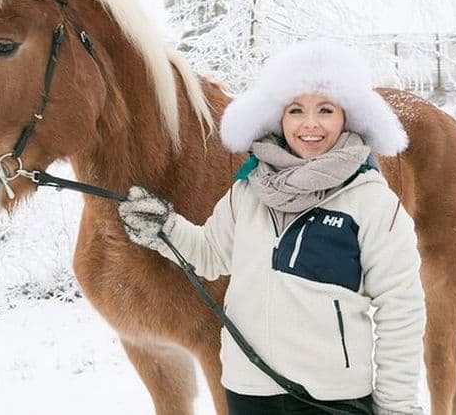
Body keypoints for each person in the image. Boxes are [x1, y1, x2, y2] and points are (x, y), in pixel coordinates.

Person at [118, 41, 426, 415]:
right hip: (247, 393)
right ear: (278, 117)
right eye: (296, 110)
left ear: (348, 117)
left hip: (331, 400)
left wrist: (397, 406)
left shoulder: (371, 201)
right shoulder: (249, 191)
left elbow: (400, 309)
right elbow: (210, 255)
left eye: (325, 109)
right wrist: (164, 228)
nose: (310, 124)